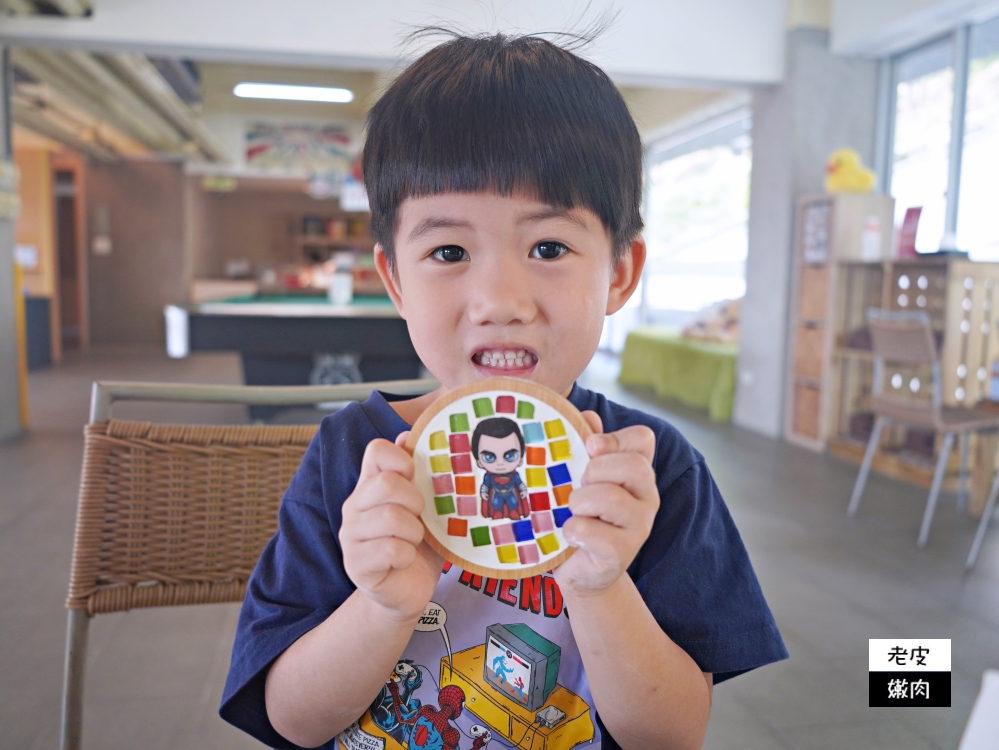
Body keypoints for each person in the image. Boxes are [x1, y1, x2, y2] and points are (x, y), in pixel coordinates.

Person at [221, 30, 787, 750]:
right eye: (448, 252)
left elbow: (670, 735)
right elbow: (292, 721)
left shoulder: (649, 471)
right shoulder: (353, 458)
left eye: (548, 248)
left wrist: (600, 586)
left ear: (617, 273)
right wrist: (382, 606)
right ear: (394, 278)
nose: (498, 298)